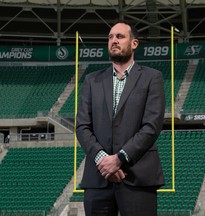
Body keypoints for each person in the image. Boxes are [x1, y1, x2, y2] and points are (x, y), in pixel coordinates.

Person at [76, 20, 166, 216]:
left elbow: (152, 126)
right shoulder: (92, 80)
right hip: (98, 179)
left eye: (120, 36)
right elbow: (82, 126)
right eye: (110, 37)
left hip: (137, 178)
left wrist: (119, 159)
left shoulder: (152, 77)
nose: (113, 41)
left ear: (134, 43)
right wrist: (104, 161)